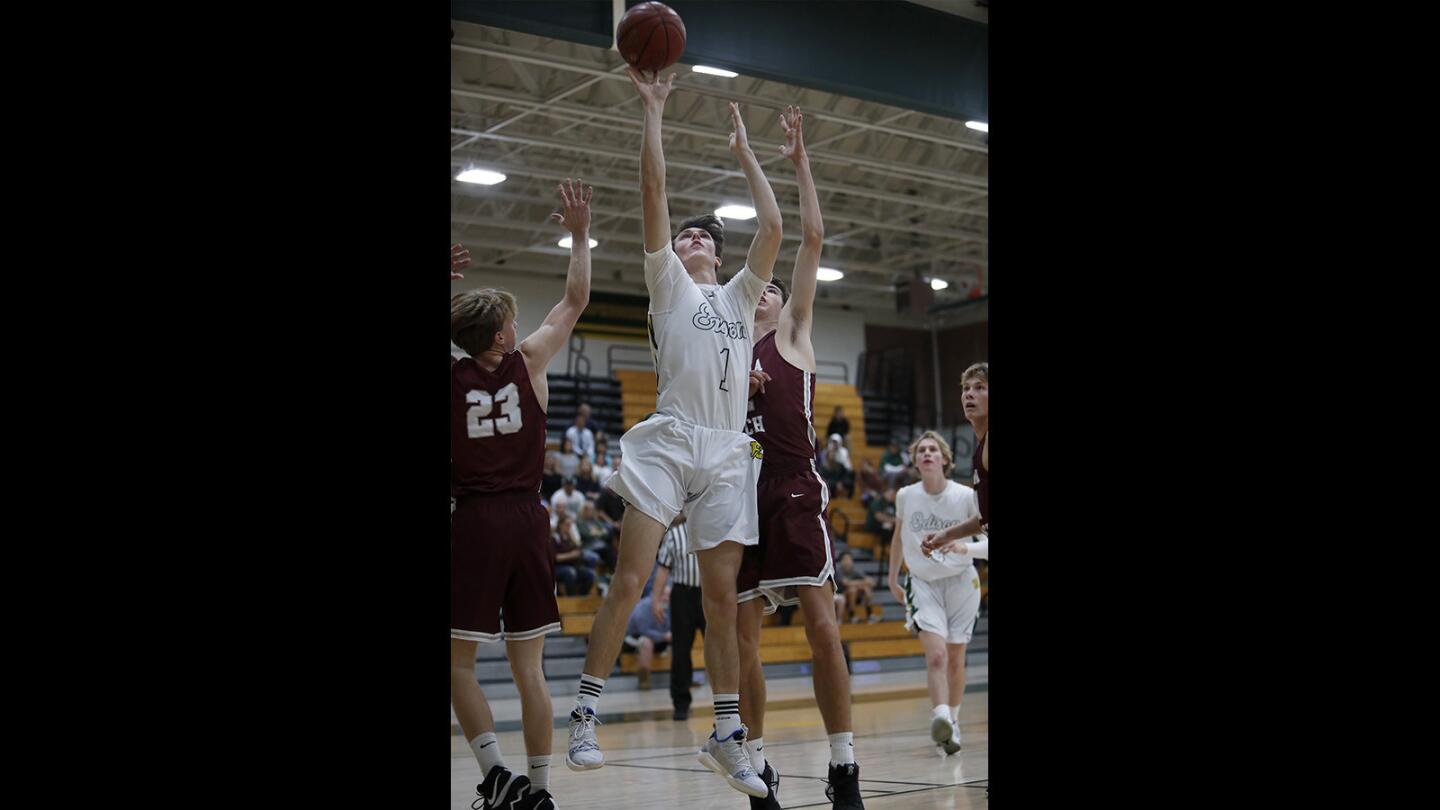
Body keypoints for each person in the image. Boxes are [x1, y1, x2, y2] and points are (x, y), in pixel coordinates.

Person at [564, 67, 783, 803]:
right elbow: (653, 194)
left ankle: (726, 734)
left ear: (717, 256)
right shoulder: (670, 285)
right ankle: (586, 711)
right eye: (686, 234)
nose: (690, 237)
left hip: (725, 450)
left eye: (702, 235)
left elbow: (775, 229)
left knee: (722, 601)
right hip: (669, 437)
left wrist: (747, 154)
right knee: (630, 579)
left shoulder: (742, 294)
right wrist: (653, 109)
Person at [736, 106, 863, 810]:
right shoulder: (725, 349)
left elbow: (810, 237)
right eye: (767, 286)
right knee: (744, 639)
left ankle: (843, 764)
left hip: (790, 488)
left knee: (822, 625)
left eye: (781, 287)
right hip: (737, 494)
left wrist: (799, 162)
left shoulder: (791, 334)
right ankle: (757, 767)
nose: (775, 290)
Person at [451, 180, 593, 810]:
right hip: (530, 517)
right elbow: (575, 298)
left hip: (475, 521)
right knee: (528, 669)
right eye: (510, 318)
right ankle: (536, 790)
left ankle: (494, 775)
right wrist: (581, 234)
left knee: (457, 665)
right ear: (504, 336)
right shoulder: (530, 358)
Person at [886, 431, 988, 757]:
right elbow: (899, 539)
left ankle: (952, 722)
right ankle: (941, 716)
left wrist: (965, 547)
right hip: (923, 583)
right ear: (916, 461)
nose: (927, 454)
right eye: (921, 451)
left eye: (933, 450)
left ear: (945, 459)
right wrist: (892, 578)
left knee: (956, 658)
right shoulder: (905, 495)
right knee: (937, 655)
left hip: (961, 581)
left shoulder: (967, 496)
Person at [921, 363, 989, 554]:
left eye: (980, 387)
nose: (969, 393)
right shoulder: (982, 444)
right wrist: (946, 535)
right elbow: (985, 518)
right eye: (966, 388)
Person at [650, 516, 702, 719]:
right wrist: (655, 599)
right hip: (683, 595)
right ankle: (681, 704)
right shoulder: (673, 534)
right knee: (680, 652)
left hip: (710, 594)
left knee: (720, 651)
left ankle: (726, 704)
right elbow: (663, 569)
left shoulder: (713, 526)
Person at [623, 593, 672, 690]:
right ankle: (643, 679)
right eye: (664, 594)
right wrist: (663, 636)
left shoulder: (672, 606)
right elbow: (644, 630)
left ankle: (684, 676)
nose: (666, 598)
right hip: (634, 639)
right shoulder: (644, 606)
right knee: (646, 642)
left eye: (669, 595)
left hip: (660, 639)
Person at [835, 551, 877, 624]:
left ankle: (870, 614)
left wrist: (861, 584)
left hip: (856, 596)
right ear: (841, 561)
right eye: (845, 559)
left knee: (866, 589)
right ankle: (852, 615)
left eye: (849, 559)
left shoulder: (855, 569)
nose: (847, 561)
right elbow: (846, 583)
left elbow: (871, 582)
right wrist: (860, 583)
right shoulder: (838, 570)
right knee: (852, 590)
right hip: (840, 594)